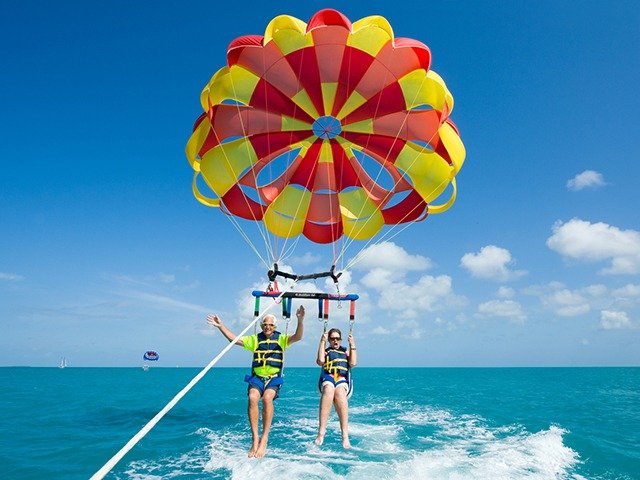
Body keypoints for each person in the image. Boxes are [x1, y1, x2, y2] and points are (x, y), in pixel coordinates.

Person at [207, 306, 305, 458]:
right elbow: (233, 339)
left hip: (273, 378)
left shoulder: (281, 339)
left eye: (271, 325)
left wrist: (300, 320)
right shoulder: (254, 340)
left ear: (275, 327)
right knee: (253, 398)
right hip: (257, 377)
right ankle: (255, 438)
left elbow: (297, 337)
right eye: (265, 324)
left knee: (267, 398)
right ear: (261, 326)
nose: (267, 327)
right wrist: (221, 326)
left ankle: (264, 438)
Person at [315, 327, 357, 448]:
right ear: (329, 340)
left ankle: (345, 436)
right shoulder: (326, 351)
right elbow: (320, 361)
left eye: (337, 339)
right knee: (329, 390)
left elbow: (353, 363)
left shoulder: (345, 352)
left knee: (339, 392)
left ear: (341, 339)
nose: (335, 341)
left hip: (342, 380)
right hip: (328, 378)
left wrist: (352, 344)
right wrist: (322, 341)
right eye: (332, 339)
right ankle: (321, 432)